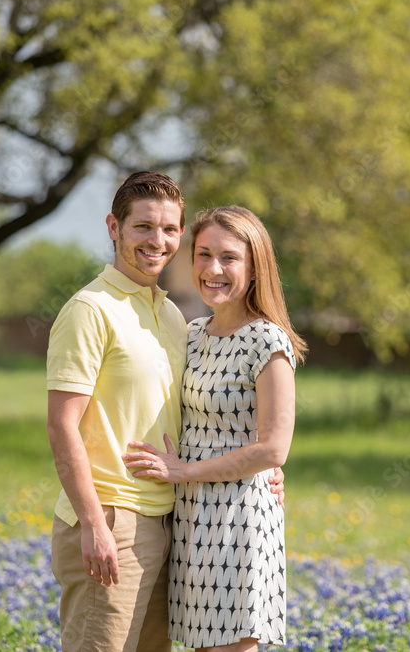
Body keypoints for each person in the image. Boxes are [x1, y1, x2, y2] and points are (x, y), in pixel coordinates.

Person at [46, 173, 283, 652]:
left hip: (174, 523)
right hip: (112, 518)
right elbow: (61, 423)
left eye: (170, 230)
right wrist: (93, 524)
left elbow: (214, 411)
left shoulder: (175, 318)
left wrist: (268, 464)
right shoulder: (89, 309)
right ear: (114, 227)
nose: (158, 241)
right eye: (143, 227)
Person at [123, 205, 307, 652]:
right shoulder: (195, 333)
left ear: (254, 267)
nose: (213, 269)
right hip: (191, 516)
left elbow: (273, 450)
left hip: (238, 517)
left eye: (229, 258)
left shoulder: (268, 340)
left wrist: (183, 471)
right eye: (203, 255)